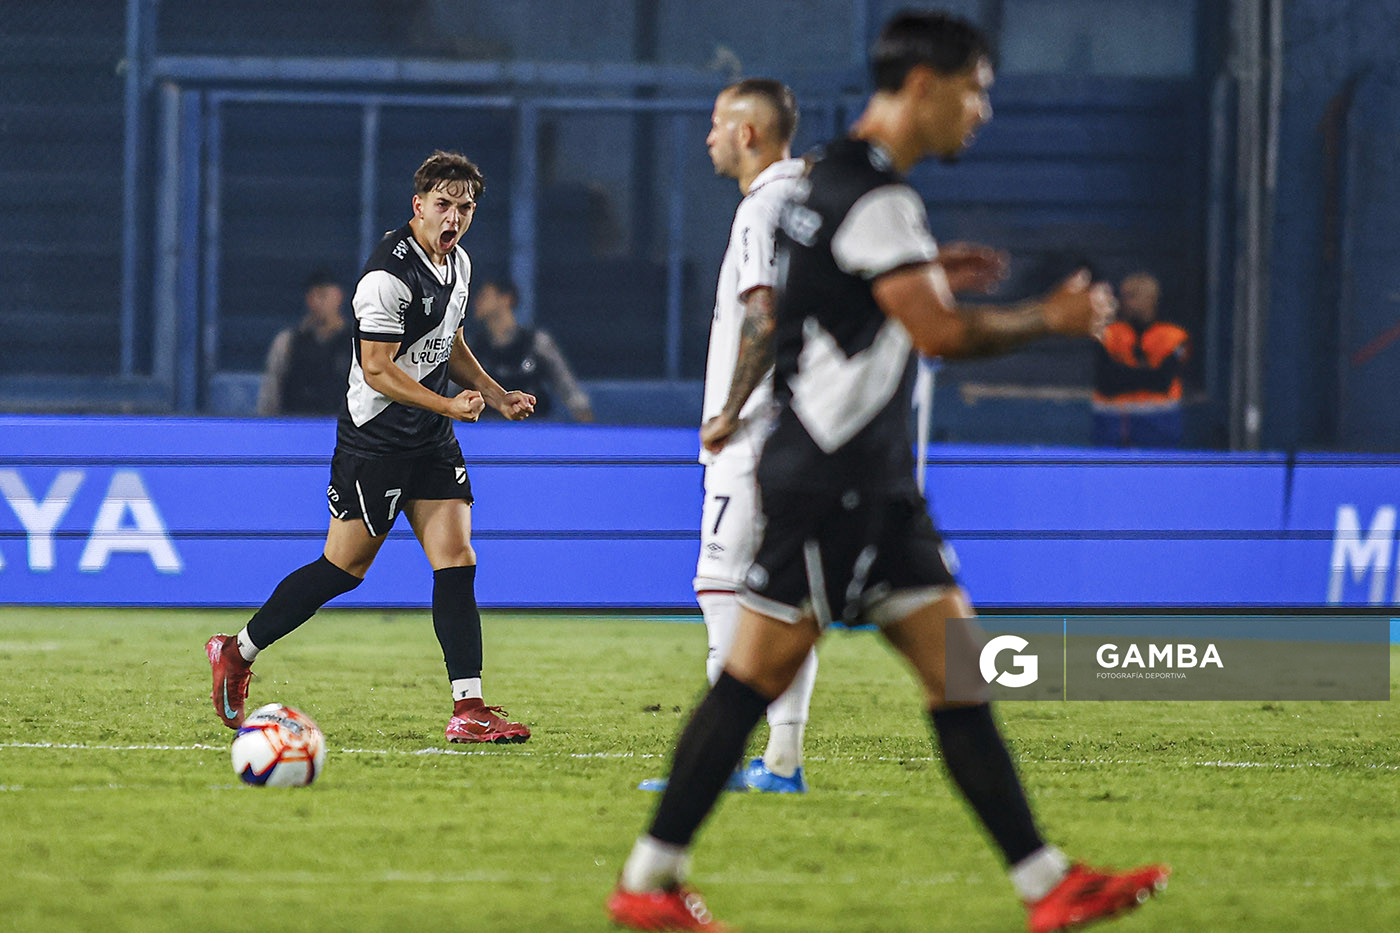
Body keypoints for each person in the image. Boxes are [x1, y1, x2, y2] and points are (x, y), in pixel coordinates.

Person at [607, 12, 1169, 933]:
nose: (981, 111)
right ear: (923, 86)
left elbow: (819, 291)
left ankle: (1047, 882)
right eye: (975, 89)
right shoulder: (878, 201)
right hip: (838, 482)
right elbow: (943, 332)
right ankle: (648, 878)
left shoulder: (820, 181)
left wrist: (924, 265)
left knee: (958, 671)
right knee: (754, 677)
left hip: (860, 479)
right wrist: (1051, 317)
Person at [206, 150, 537, 745]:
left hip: (430, 439)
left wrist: (495, 392)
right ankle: (237, 650)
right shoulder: (386, 275)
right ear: (418, 206)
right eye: (443, 205)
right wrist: (449, 405)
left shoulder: (457, 264)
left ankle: (470, 707)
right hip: (377, 439)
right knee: (344, 568)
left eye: (465, 207)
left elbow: (449, 340)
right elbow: (379, 371)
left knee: (457, 559)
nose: (454, 218)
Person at [639, 79, 818, 796]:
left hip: (754, 438)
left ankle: (721, 764)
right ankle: (780, 762)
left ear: (748, 134)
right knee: (782, 599)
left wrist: (728, 411)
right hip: (805, 431)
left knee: (719, 585)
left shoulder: (760, 210)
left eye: (717, 124)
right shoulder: (805, 204)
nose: (709, 137)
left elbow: (763, 318)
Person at [470, 279, 594, 422]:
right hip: (487, 429)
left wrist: (585, 420)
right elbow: (451, 389)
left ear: (506, 299)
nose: (477, 301)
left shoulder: (537, 343)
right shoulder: (474, 347)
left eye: (484, 296)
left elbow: (566, 386)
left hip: (534, 428)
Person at [1091, 271, 1190, 447]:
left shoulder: (1174, 336)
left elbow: (1162, 381)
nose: (1124, 302)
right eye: (1123, 296)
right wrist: (1146, 374)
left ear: (1151, 298)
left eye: (1132, 296)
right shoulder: (1109, 334)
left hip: (1159, 424)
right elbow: (1106, 381)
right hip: (1113, 424)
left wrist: (1124, 374)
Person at [256, 270, 353, 416]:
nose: (315, 302)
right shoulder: (287, 342)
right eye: (311, 296)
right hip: (295, 426)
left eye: (322, 295)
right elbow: (271, 391)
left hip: (341, 428)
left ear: (338, 297)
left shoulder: (356, 343)